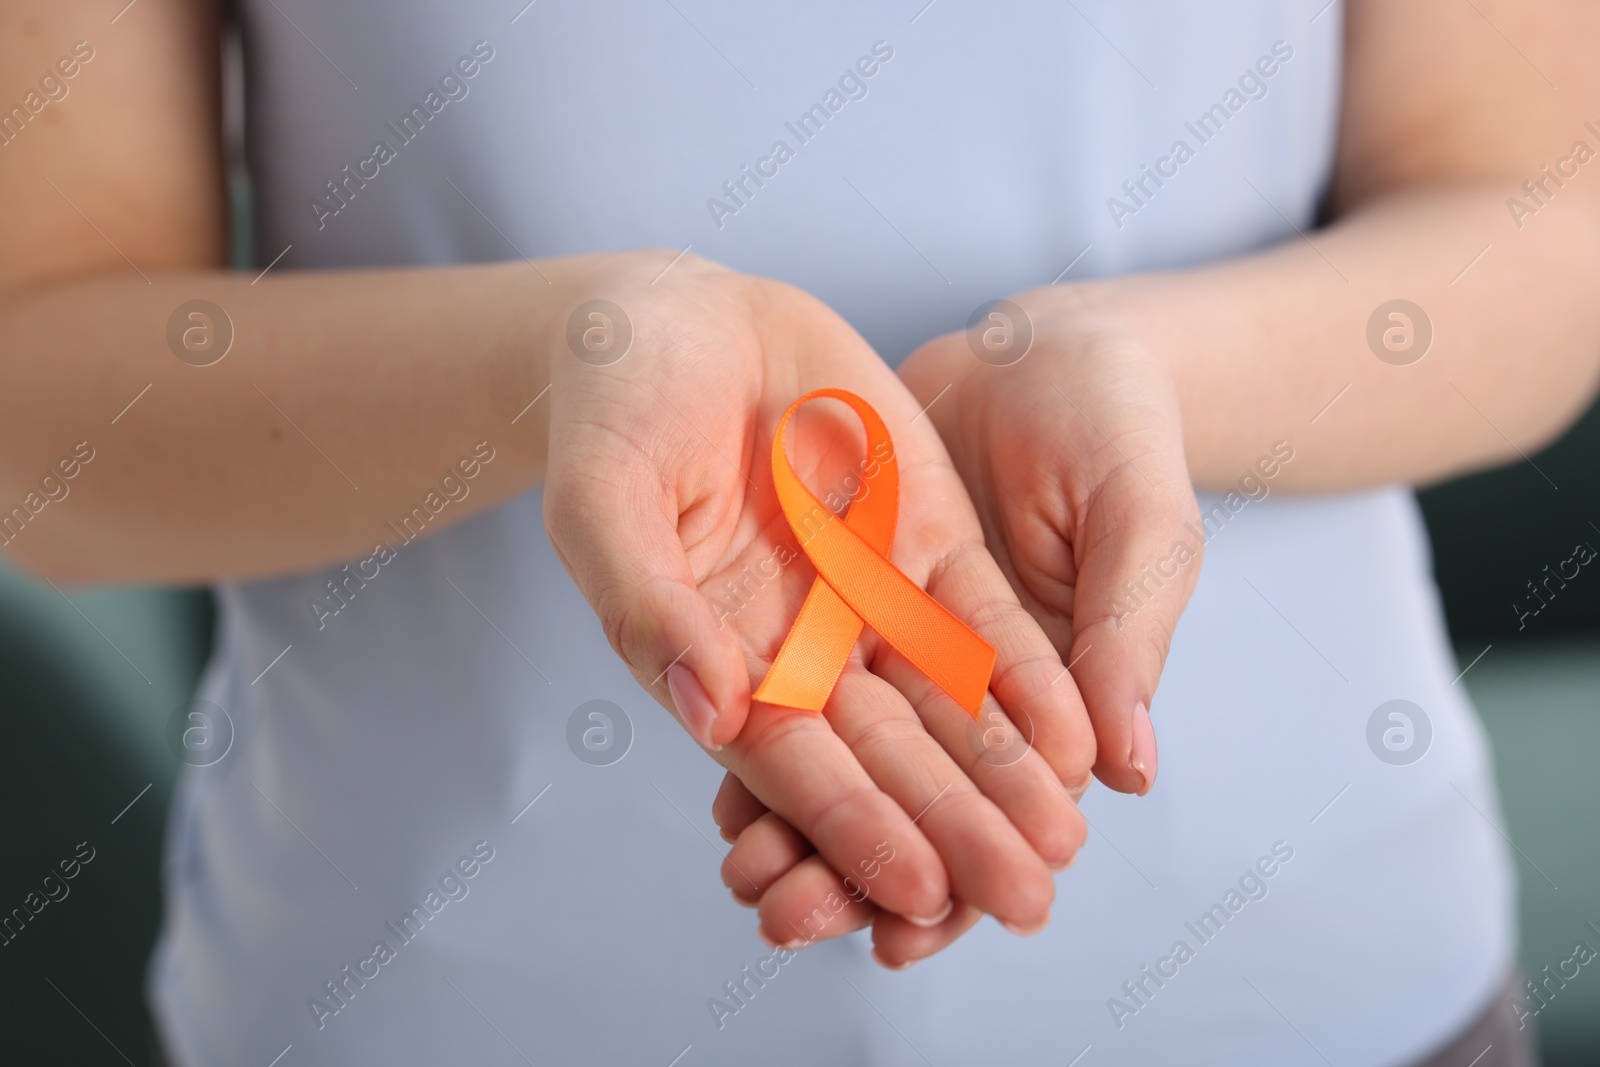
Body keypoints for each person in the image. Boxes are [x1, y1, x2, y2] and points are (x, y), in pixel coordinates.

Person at [3, 0, 1595, 1064]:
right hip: (426, 1002)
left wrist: (1143, 374)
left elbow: (1541, 218)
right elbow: (38, 403)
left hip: (1307, 986)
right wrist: (564, 356)